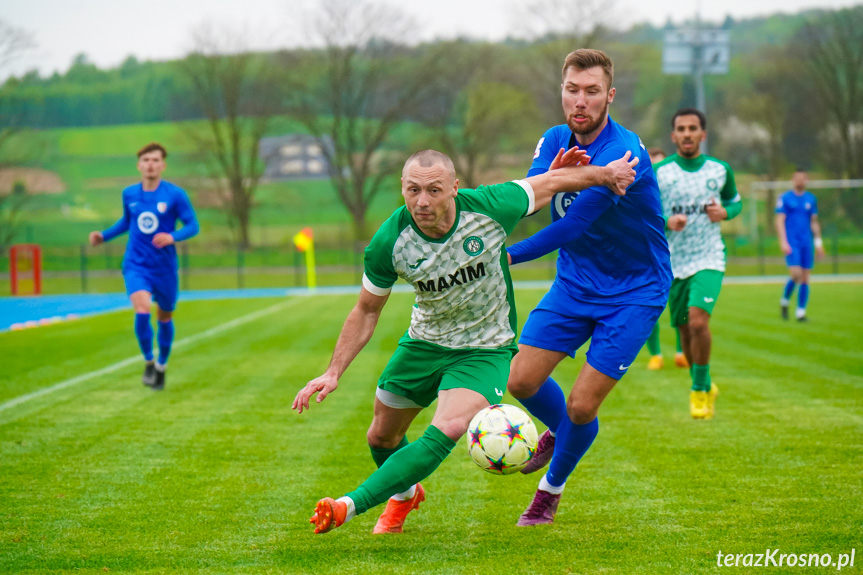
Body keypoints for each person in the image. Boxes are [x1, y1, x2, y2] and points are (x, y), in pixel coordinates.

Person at [293, 147, 638, 535]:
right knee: (381, 436)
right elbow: (367, 310)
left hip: (485, 347)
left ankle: (347, 506)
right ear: (402, 189)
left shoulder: (490, 206)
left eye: (434, 190)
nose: (422, 201)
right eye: (413, 190)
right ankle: (406, 495)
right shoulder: (389, 242)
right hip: (424, 343)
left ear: (455, 188)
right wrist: (333, 371)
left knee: (450, 425)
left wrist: (607, 174)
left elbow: (552, 182)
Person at [503, 49, 672, 526]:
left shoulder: (625, 153)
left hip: (635, 289)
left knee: (580, 405)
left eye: (592, 91)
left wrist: (503, 258)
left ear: (609, 96)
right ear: (562, 92)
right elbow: (531, 198)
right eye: (572, 90)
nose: (580, 100)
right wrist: (550, 177)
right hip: (576, 282)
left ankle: (548, 493)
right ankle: (561, 432)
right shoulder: (553, 138)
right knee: (521, 380)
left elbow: (570, 227)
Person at [654, 108, 743, 419]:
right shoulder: (661, 172)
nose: (688, 133)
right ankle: (704, 383)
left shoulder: (720, 170)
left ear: (703, 135)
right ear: (673, 136)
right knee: (683, 331)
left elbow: (735, 201)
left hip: (709, 258)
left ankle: (698, 390)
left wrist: (726, 213)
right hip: (673, 264)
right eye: (682, 128)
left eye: (693, 128)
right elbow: (644, 214)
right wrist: (666, 220)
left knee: (697, 322)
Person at [88, 143, 199, 391]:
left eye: (155, 160)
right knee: (141, 308)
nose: (151, 164)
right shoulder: (129, 194)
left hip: (165, 267)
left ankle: (161, 364)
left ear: (163, 165)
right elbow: (127, 222)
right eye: (146, 160)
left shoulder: (175, 195)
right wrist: (103, 236)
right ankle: (148, 360)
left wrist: (173, 236)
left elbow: (193, 226)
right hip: (136, 264)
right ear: (139, 165)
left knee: (165, 315)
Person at [643, 147, 688, 370]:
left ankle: (681, 352)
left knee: (680, 306)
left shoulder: (677, 191)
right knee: (649, 306)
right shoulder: (642, 192)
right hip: (649, 255)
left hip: (679, 254)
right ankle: (656, 355)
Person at [775, 168, 824, 322]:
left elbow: (814, 222)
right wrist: (783, 241)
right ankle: (784, 300)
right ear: (793, 180)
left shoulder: (811, 199)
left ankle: (800, 313)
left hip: (806, 243)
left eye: (803, 178)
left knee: (805, 277)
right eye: (797, 178)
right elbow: (779, 220)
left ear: (806, 180)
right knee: (795, 274)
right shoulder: (785, 198)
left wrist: (818, 243)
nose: (800, 181)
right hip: (792, 242)